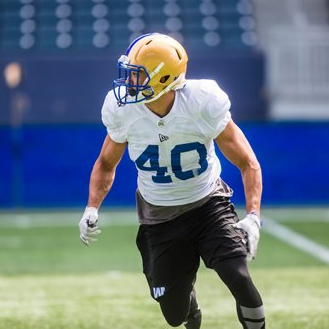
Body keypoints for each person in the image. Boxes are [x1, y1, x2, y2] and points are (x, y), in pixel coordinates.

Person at [78, 33, 265, 328]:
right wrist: (92, 207)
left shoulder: (201, 102)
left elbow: (247, 162)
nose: (128, 83)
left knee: (238, 276)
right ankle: (190, 303)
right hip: (159, 216)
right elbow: (105, 163)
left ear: (162, 79)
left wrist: (253, 216)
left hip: (208, 205)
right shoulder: (123, 110)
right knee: (174, 315)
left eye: (137, 76)